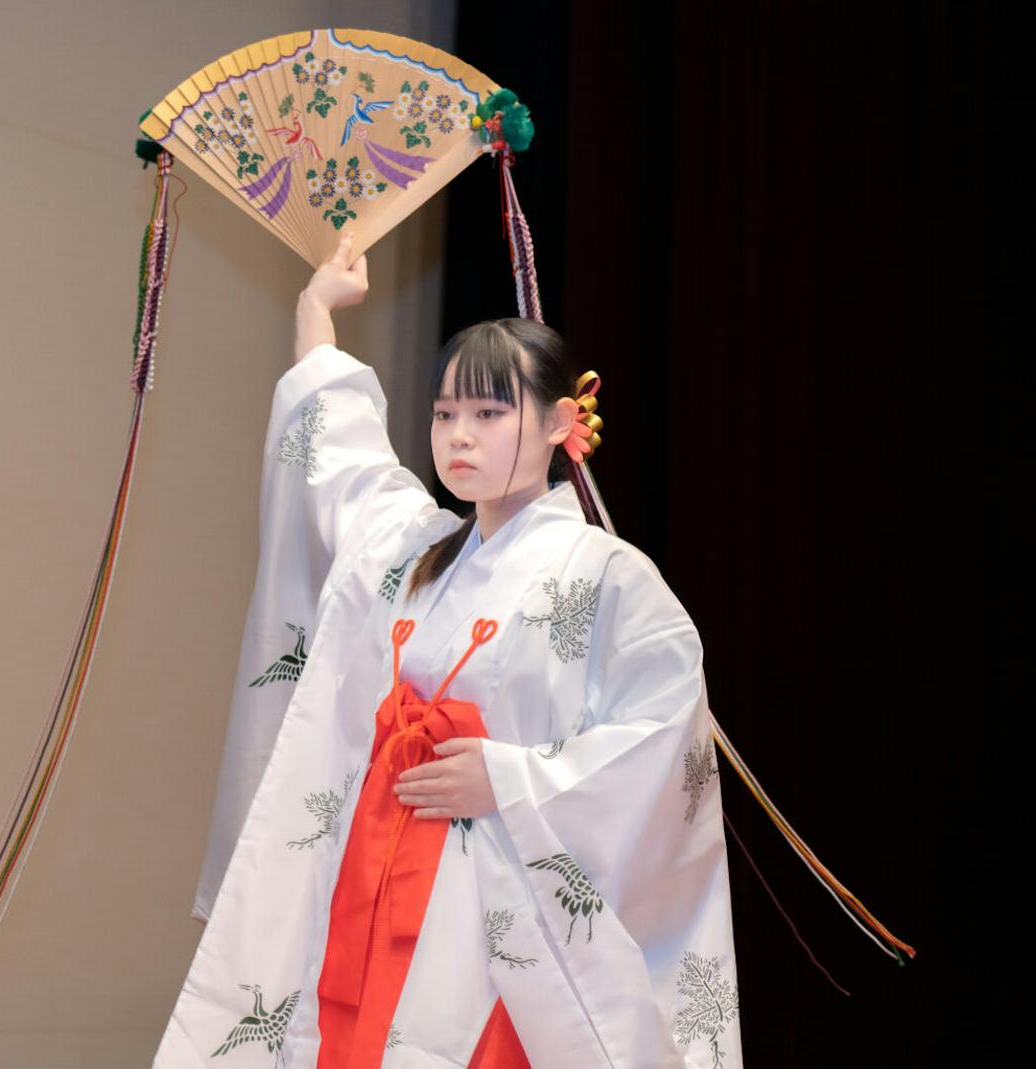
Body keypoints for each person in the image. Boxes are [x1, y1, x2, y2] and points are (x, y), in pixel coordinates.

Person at [152, 232, 743, 1068]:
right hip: (372, 867)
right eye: (444, 414)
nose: (459, 436)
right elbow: (340, 460)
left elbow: (658, 735)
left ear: (561, 423)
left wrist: (507, 776)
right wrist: (314, 311)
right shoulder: (410, 549)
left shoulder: (607, 575)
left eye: (489, 412)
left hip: (493, 902)